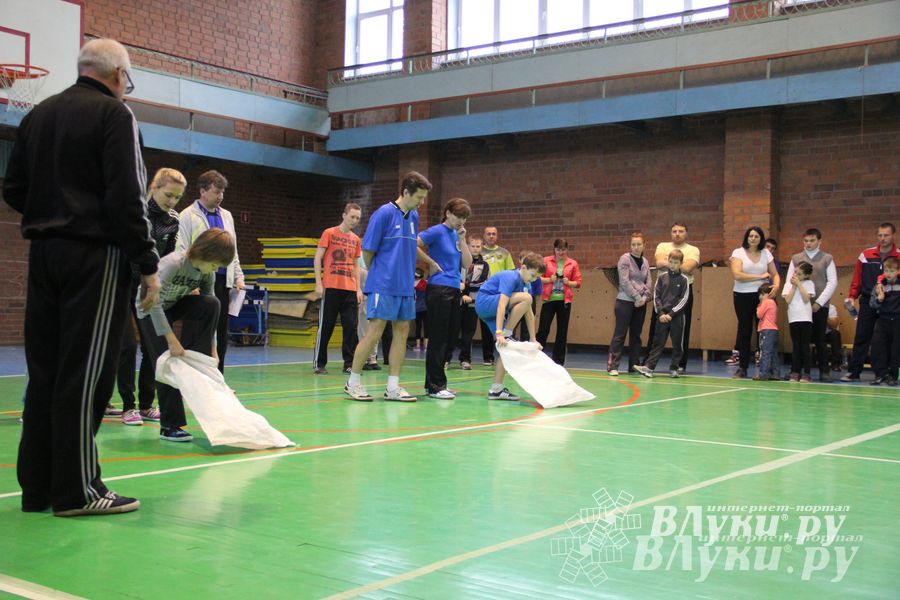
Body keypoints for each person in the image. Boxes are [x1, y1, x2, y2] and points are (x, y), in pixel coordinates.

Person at [4, 38, 160, 516]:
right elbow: (127, 198)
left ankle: (39, 488)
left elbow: (13, 187)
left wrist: (53, 214)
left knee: (47, 371)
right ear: (118, 75)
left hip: (44, 256)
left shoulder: (39, 114)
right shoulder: (117, 116)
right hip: (96, 257)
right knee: (86, 375)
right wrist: (148, 262)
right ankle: (78, 491)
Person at [137, 229, 235, 441]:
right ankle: (170, 425)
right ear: (205, 254)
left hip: (172, 306)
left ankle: (196, 365)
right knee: (167, 362)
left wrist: (212, 349)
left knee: (211, 303)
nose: (215, 270)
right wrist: (171, 340)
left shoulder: (205, 272)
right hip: (149, 309)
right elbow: (154, 303)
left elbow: (211, 308)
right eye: (215, 265)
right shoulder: (174, 264)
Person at [345, 171, 432, 402]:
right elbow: (368, 250)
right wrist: (381, 274)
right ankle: (353, 381)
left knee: (402, 332)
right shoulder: (383, 214)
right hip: (382, 285)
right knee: (374, 332)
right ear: (405, 192)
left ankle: (393, 387)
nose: (421, 203)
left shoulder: (413, 217)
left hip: (405, 287)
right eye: (419, 198)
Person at [118, 167, 186, 425]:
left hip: (150, 288)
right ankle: (128, 406)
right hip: (123, 284)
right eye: (168, 195)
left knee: (152, 347)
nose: (172, 201)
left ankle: (147, 404)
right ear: (154, 188)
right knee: (125, 345)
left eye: (177, 198)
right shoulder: (135, 213)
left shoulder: (173, 220)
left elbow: (167, 258)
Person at [176, 170, 244, 373]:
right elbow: (181, 248)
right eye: (216, 191)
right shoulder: (187, 216)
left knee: (220, 333)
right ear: (203, 191)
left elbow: (233, 249)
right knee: (196, 331)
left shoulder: (227, 216)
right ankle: (190, 376)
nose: (220, 196)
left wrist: (239, 275)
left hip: (222, 281)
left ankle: (217, 378)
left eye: (222, 192)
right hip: (196, 281)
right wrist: (189, 283)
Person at [417, 198, 473, 398]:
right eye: (458, 216)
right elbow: (414, 243)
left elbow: (467, 263)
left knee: (450, 338)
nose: (461, 221)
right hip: (438, 289)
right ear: (448, 213)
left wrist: (463, 240)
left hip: (454, 289)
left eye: (464, 218)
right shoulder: (437, 231)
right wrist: (430, 261)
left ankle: (434, 382)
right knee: (439, 338)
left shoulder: (458, 235)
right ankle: (435, 386)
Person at [475, 252, 544, 400]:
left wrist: (533, 338)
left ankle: (496, 389)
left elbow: (529, 312)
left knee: (506, 348)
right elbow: (501, 305)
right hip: (485, 303)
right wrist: (500, 332)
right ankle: (507, 332)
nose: (534, 279)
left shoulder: (527, 284)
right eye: (533, 275)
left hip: (494, 311)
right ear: (523, 267)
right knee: (526, 298)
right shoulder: (510, 277)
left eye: (537, 277)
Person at [842, 223, 899, 382]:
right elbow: (857, 279)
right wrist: (852, 297)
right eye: (880, 235)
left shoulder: (898, 256)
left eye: (886, 235)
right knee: (862, 336)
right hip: (868, 301)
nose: (883, 238)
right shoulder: (865, 255)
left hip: (891, 304)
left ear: (893, 235)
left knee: (886, 340)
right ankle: (854, 371)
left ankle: (884, 373)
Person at [313, 203, 363, 375]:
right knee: (326, 326)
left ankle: (349, 363)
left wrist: (358, 289)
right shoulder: (329, 233)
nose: (354, 221)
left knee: (351, 328)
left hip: (349, 289)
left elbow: (356, 265)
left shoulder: (356, 240)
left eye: (357, 218)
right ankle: (319, 363)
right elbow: (318, 257)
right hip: (331, 288)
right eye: (352, 217)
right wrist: (319, 283)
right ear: (344, 215)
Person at [783, 228, 837, 381]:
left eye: (812, 240)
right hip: (800, 308)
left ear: (819, 241)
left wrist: (819, 303)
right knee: (799, 342)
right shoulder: (796, 258)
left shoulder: (827, 258)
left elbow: (832, 282)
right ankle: (796, 370)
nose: (808, 243)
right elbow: (789, 281)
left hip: (819, 306)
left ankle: (824, 371)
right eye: (806, 241)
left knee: (820, 339)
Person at [645, 223, 699, 373]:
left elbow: (688, 268)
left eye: (681, 231)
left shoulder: (693, 250)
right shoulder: (662, 246)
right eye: (674, 231)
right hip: (663, 293)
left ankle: (679, 365)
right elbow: (659, 263)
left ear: (686, 233)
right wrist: (676, 264)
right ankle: (648, 364)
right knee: (655, 330)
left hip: (683, 292)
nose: (677, 234)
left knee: (681, 331)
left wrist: (671, 264)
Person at [729, 226, 781, 378]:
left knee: (765, 331)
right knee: (745, 330)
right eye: (750, 236)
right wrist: (760, 277)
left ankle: (768, 368)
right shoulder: (738, 252)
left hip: (763, 297)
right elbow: (737, 275)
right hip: (742, 295)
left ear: (760, 239)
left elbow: (775, 275)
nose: (753, 238)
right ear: (746, 237)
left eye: (756, 236)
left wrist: (776, 285)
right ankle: (742, 367)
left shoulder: (766, 253)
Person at [636, 250, 691, 378]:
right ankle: (649, 368)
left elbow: (684, 299)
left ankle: (674, 368)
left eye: (676, 263)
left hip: (677, 317)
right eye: (671, 262)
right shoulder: (661, 278)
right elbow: (657, 296)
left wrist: (671, 314)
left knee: (678, 344)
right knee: (657, 343)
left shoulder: (684, 280)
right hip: (661, 317)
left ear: (681, 263)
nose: (672, 265)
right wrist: (661, 313)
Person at [608, 233, 652, 376]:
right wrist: (637, 296)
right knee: (620, 334)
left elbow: (648, 281)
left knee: (636, 335)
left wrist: (645, 297)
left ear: (644, 245)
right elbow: (624, 281)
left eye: (639, 244)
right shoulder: (624, 259)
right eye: (633, 244)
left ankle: (634, 365)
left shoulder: (645, 261)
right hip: (625, 302)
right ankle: (613, 366)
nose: (636, 247)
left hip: (641, 304)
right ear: (630, 246)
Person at [536, 239, 582, 365]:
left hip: (564, 301)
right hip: (548, 300)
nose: (561, 252)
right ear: (554, 249)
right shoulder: (546, 261)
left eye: (563, 249)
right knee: (543, 330)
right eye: (558, 249)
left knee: (562, 331)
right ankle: (536, 357)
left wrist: (569, 282)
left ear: (567, 250)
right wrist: (549, 279)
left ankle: (559, 361)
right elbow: (537, 277)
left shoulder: (572, 263)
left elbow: (578, 282)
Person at [479, 226, 516, 366]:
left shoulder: (504, 253)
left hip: (502, 293)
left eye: (493, 234)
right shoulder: (479, 252)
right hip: (485, 293)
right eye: (488, 234)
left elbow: (511, 272)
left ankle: (506, 356)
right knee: (487, 325)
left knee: (504, 324)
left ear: (497, 236)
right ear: (484, 236)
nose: (491, 236)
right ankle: (488, 357)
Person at [456, 236, 489, 370]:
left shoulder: (484, 265)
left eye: (478, 246)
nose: (475, 249)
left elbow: (481, 282)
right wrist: (462, 293)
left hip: (473, 301)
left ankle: (465, 359)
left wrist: (466, 288)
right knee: (453, 330)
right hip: (458, 300)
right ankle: (446, 358)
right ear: (468, 247)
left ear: (482, 248)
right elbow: (456, 278)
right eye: (473, 246)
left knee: (469, 331)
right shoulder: (460, 262)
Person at [869, 257, 899, 386]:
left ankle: (893, 375)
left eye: (892, 271)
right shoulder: (879, 286)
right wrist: (879, 299)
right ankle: (880, 375)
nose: (889, 274)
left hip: (898, 320)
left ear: (898, 271)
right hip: (883, 320)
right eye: (886, 270)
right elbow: (872, 304)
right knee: (878, 347)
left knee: (895, 349)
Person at [784, 262, 815, 383]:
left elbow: (806, 298)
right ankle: (795, 371)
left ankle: (806, 373)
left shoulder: (809, 283)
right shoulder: (788, 284)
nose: (795, 275)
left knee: (805, 346)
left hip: (806, 318)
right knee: (796, 346)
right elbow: (788, 299)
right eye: (795, 272)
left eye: (799, 274)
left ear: (806, 275)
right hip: (793, 318)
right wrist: (794, 286)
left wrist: (799, 284)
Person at [754, 284, 780, 381]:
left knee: (765, 352)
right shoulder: (773, 302)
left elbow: (759, 314)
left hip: (766, 330)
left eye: (762, 294)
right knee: (773, 353)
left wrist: (759, 305)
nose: (760, 297)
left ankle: (764, 374)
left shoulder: (766, 302)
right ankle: (775, 373)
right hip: (774, 330)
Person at [825, 304, 844, 372]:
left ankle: (836, 364)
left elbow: (834, 325)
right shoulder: (809, 306)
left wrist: (823, 316)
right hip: (815, 332)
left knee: (835, 334)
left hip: (827, 333)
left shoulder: (831, 307)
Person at [413, 268, 428, 350]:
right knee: (426, 327)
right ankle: (426, 346)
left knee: (418, 327)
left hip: (416, 308)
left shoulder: (411, 284)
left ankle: (418, 346)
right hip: (426, 307)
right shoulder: (426, 283)